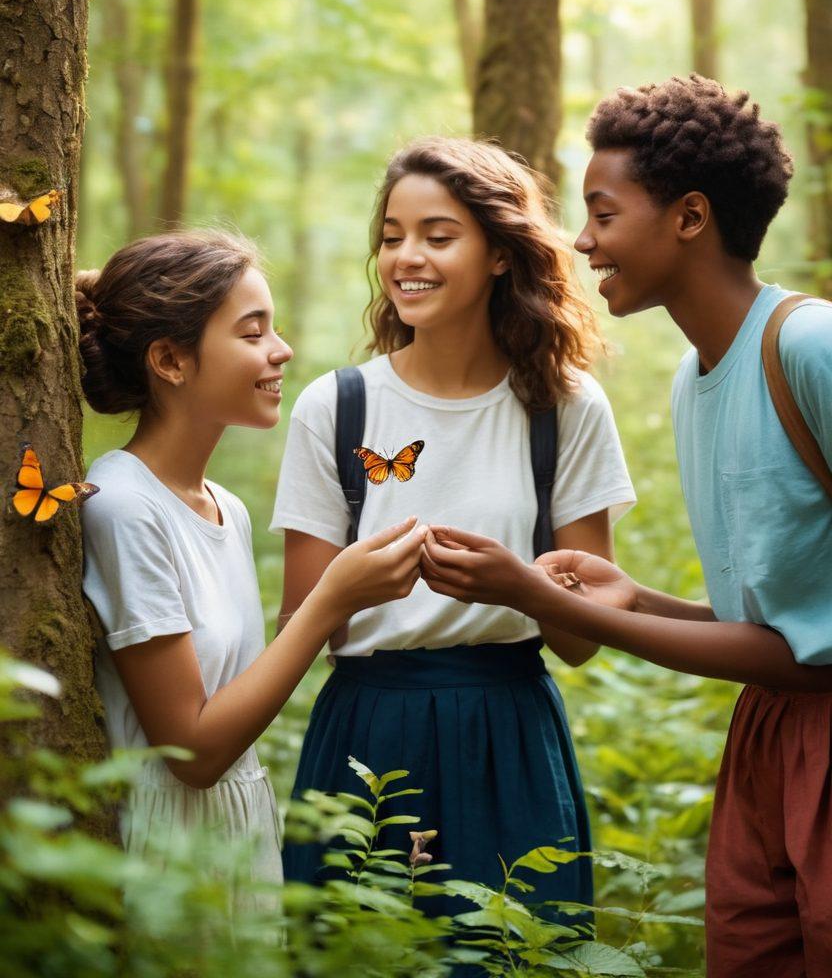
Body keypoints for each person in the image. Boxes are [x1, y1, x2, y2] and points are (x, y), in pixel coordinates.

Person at [420, 77, 832, 977]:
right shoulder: (696, 378)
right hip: (768, 737)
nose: (581, 240)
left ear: (689, 217)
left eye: (602, 214)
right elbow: (792, 633)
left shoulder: (810, 349)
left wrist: (539, 595)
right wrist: (640, 598)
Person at [271, 137, 635, 920]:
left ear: (501, 253)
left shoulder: (564, 408)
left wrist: (523, 586)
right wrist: (347, 592)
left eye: (438, 236)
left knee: (511, 956)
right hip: (367, 732)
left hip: (510, 740)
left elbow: (583, 638)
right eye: (393, 236)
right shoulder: (336, 409)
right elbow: (297, 627)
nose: (408, 257)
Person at [78, 230, 426, 889]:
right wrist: (331, 600)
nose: (281, 350)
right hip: (167, 854)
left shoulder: (225, 508)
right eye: (252, 332)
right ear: (170, 361)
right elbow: (193, 751)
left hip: (236, 835)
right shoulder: (123, 504)